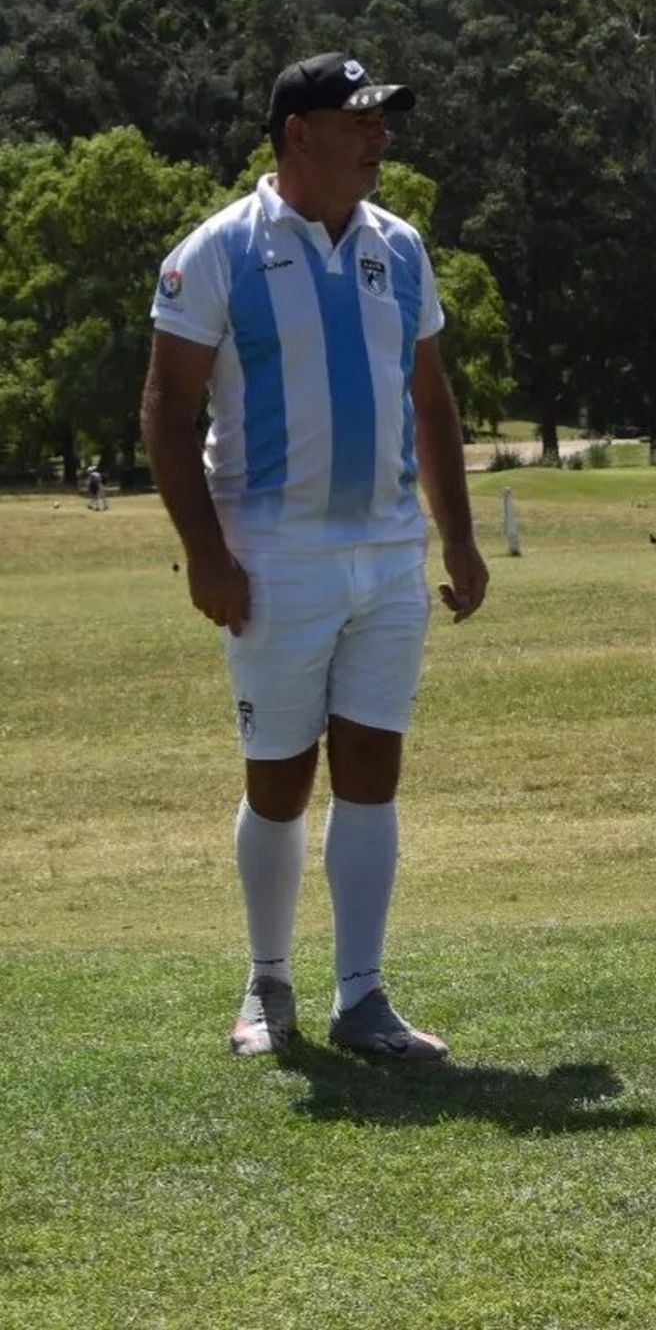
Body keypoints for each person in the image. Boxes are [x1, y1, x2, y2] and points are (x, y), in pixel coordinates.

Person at [140, 52, 489, 1062]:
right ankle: (268, 980)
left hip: (385, 547)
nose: (380, 136)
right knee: (281, 778)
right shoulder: (217, 252)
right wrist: (205, 552)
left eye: (384, 120)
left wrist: (458, 535)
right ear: (299, 133)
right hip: (272, 549)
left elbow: (430, 398)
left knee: (373, 767)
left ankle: (362, 995)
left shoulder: (402, 249)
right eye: (360, 120)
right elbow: (166, 409)